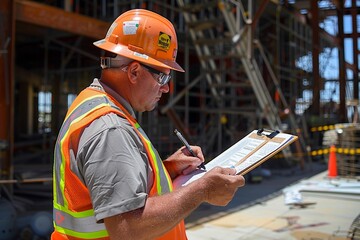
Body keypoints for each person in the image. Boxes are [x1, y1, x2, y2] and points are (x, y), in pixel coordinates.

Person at [51, 9, 245, 240]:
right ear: (134, 71)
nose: (166, 88)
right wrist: (201, 190)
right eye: (162, 77)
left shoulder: (93, 103)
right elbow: (128, 229)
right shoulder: (111, 128)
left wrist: (168, 168)